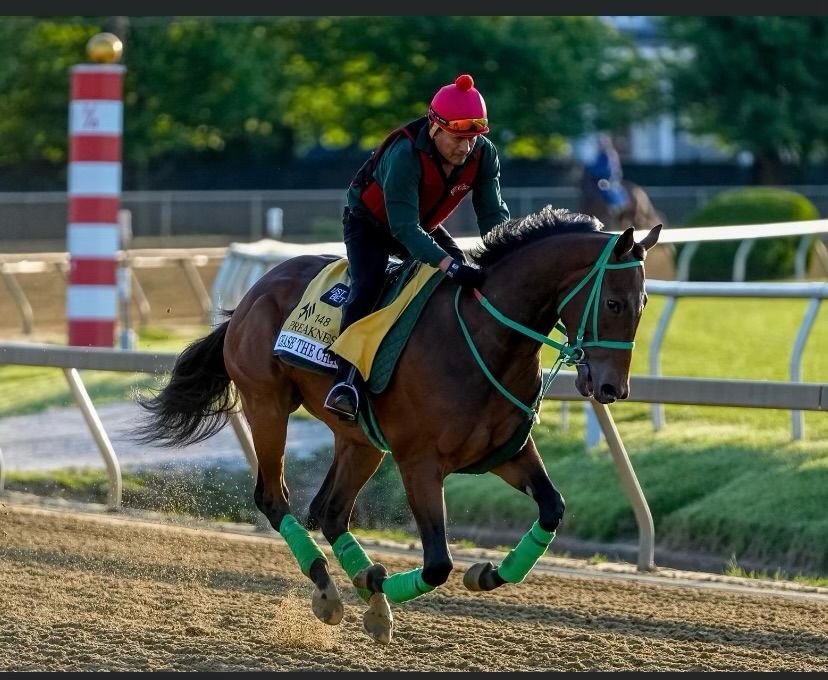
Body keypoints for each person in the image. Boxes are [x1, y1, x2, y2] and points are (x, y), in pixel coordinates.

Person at [323, 73, 510, 421]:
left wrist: (506, 252)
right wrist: (450, 266)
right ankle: (345, 382)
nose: (466, 148)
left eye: (473, 139)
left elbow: (491, 214)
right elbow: (403, 229)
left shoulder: (484, 154)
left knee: (463, 279)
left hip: (422, 224)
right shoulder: (404, 154)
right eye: (458, 138)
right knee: (368, 286)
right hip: (370, 225)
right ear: (435, 128)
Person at [586, 133, 630, 217]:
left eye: (602, 143)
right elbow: (595, 167)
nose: (600, 145)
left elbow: (609, 169)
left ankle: (615, 206)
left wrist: (598, 173)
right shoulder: (599, 155)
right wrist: (591, 172)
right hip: (598, 178)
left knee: (605, 188)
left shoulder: (610, 154)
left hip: (610, 178)